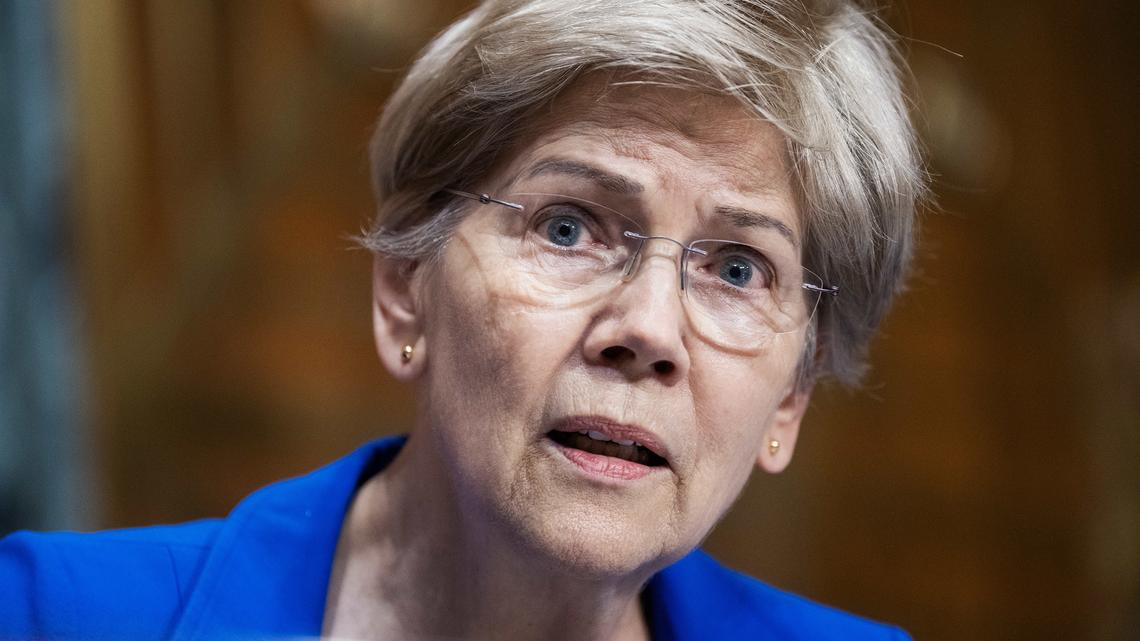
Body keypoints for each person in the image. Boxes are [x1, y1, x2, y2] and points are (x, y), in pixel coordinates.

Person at [0, 0, 924, 639]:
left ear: (792, 396)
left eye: (738, 269)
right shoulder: (49, 615)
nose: (646, 328)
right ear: (406, 285)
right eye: (569, 228)